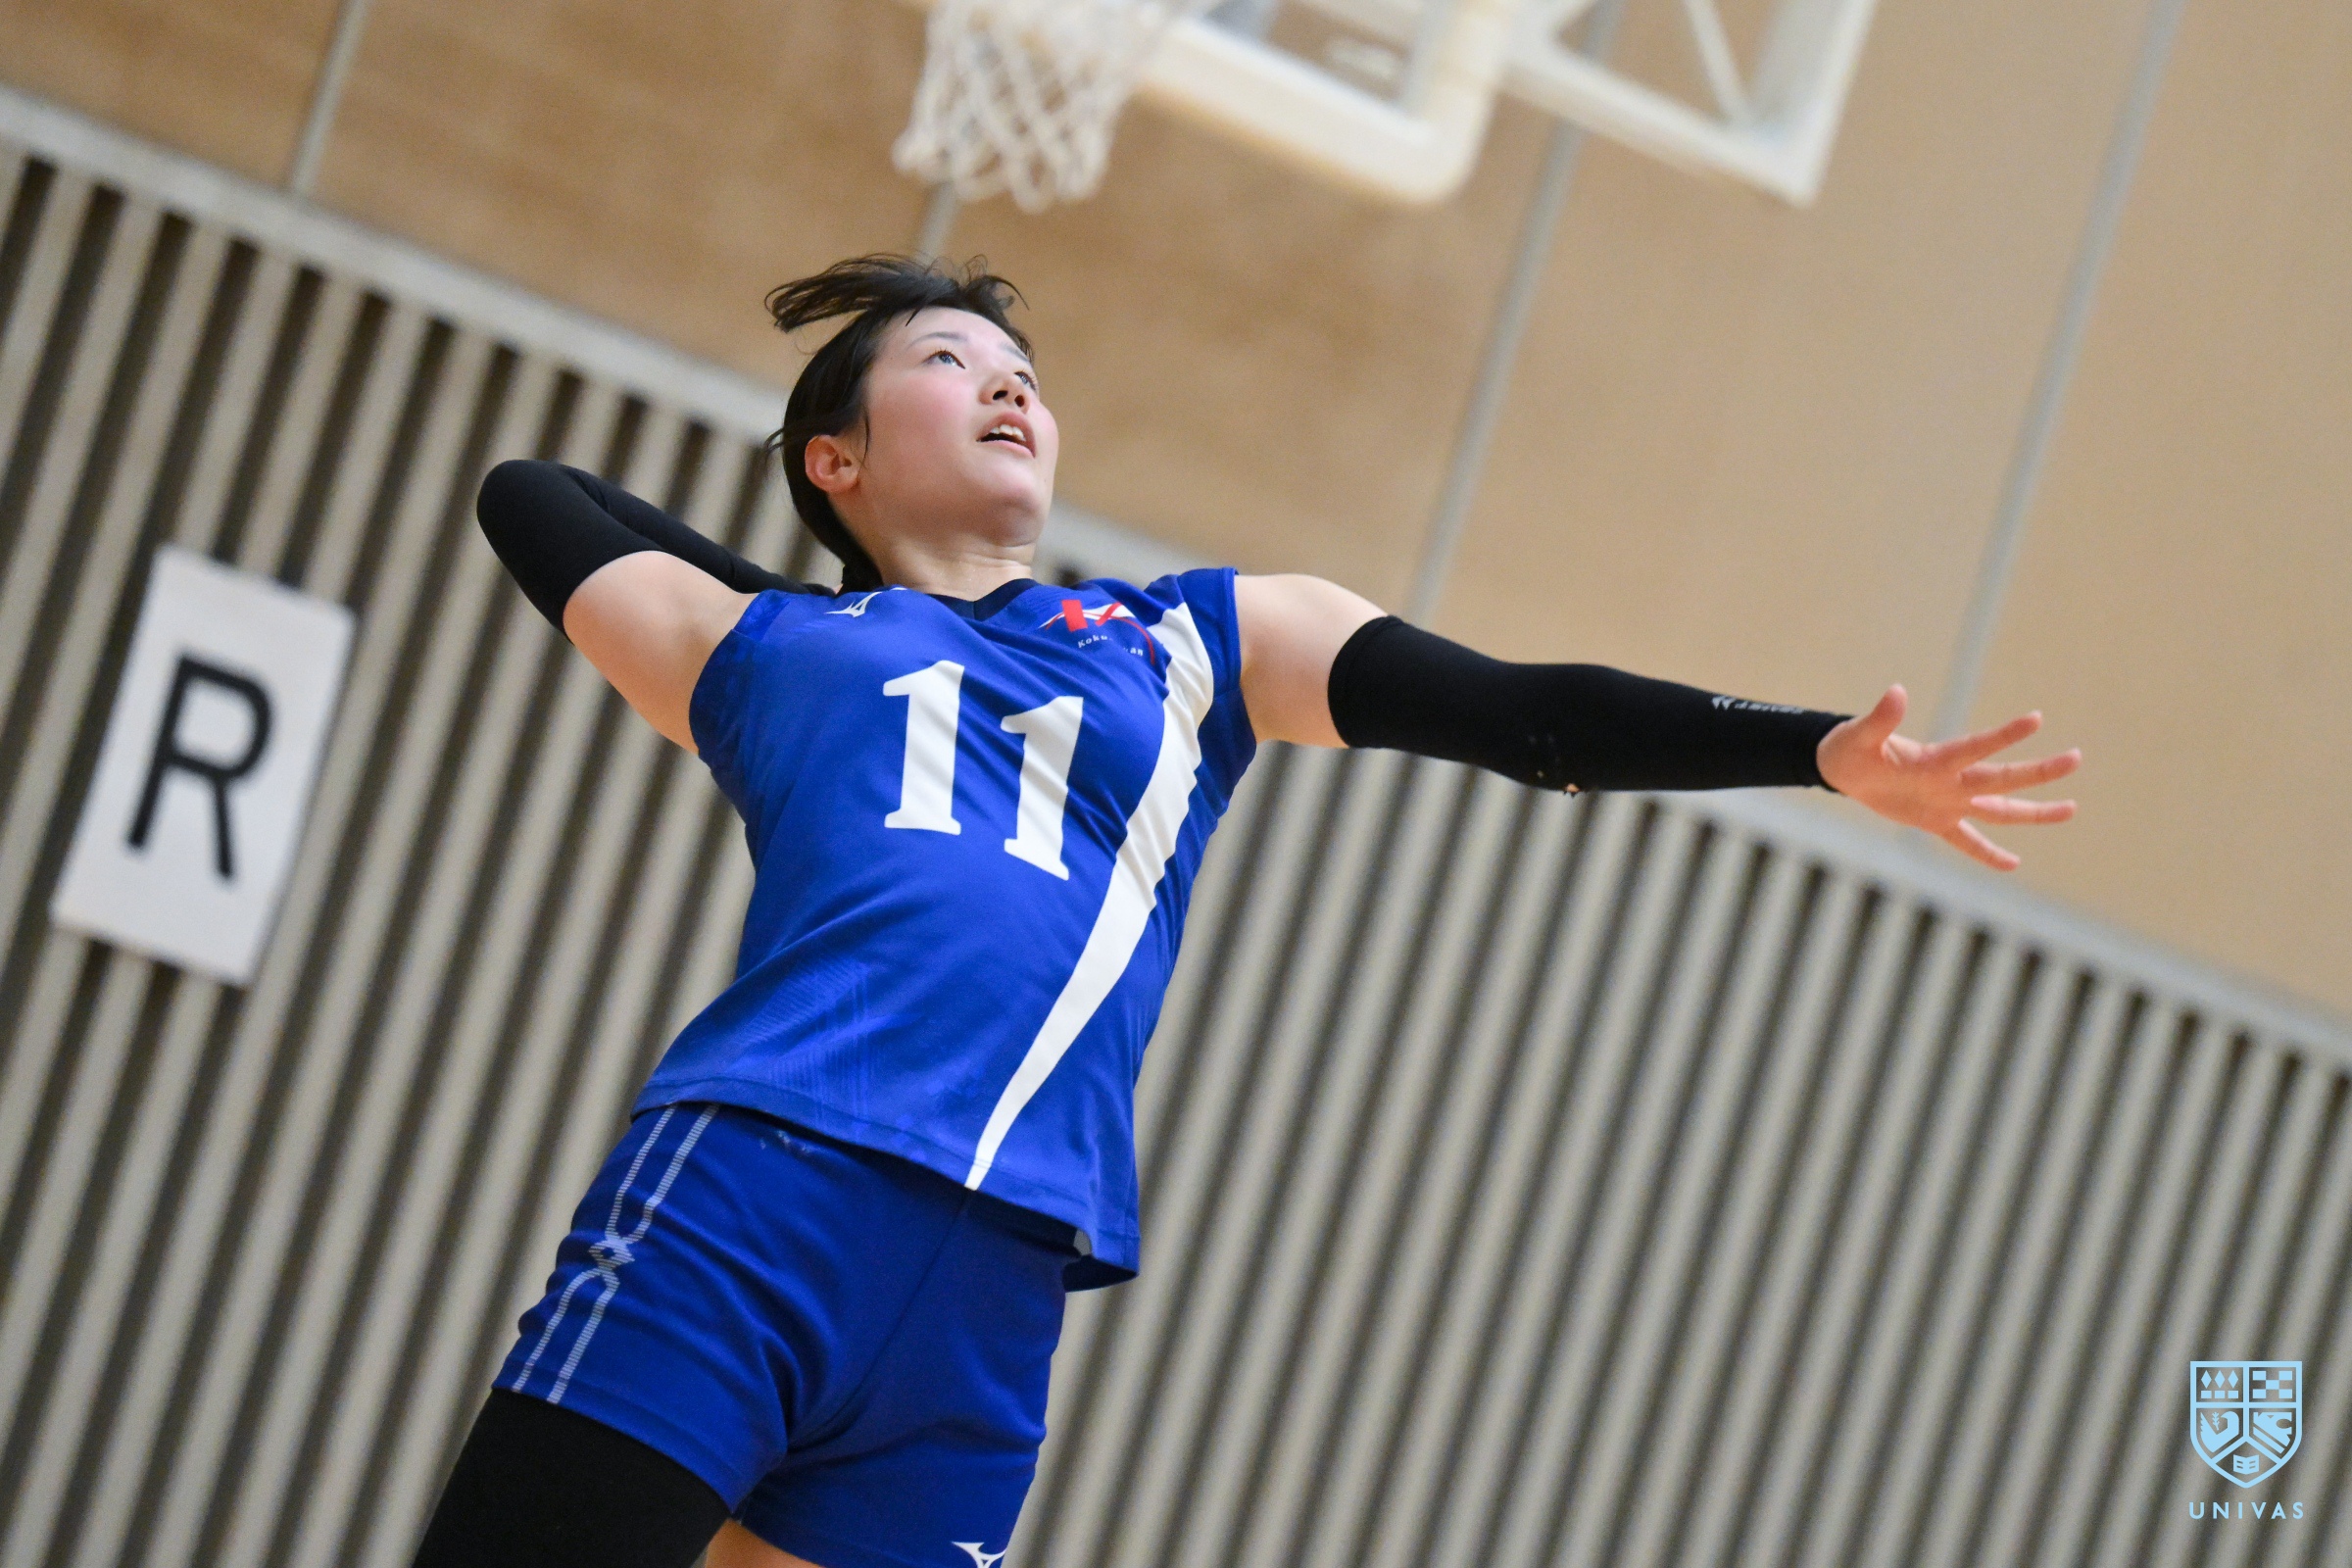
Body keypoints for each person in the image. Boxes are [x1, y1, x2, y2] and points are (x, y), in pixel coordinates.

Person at [416, 255, 2079, 1568]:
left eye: (1022, 370)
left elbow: (1526, 715)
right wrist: (849, 622)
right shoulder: (767, 657)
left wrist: (1813, 751)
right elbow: (531, 489)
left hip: (995, 1295)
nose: (1006, 382)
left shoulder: (1197, 641)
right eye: (946, 359)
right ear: (831, 458)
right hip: (768, 1193)